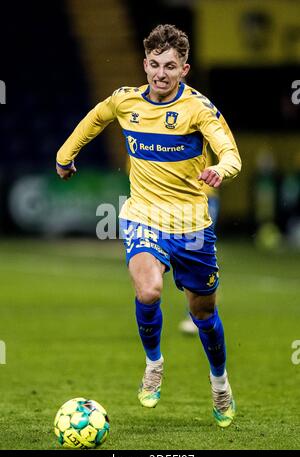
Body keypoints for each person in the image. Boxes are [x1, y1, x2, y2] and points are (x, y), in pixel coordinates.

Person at [56, 24, 242, 428]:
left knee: (203, 313)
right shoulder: (126, 101)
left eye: (170, 66)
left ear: (184, 69)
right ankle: (154, 364)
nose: (160, 73)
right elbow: (94, 119)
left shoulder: (198, 109)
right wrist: (64, 156)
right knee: (148, 289)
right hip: (143, 216)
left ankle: (220, 381)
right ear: (145, 64)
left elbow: (229, 151)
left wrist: (220, 169)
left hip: (191, 225)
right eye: (154, 65)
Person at [179, 153, 220, 335]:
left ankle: (200, 313)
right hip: (175, 201)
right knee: (186, 256)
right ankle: (200, 312)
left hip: (200, 199)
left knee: (194, 256)